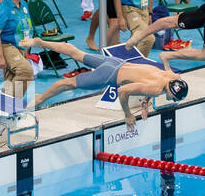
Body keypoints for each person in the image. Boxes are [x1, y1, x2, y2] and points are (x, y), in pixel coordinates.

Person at [18, 38, 189, 130]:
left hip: (116, 62)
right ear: (172, 91)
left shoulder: (172, 76)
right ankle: (40, 98)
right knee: (66, 84)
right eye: (173, 98)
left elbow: (162, 59)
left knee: (76, 53)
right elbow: (123, 91)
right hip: (109, 75)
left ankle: (41, 43)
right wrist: (128, 114)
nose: (171, 100)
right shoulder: (157, 88)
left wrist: (145, 101)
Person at [0, 0, 36, 99]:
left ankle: (3, 106)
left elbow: (26, 28)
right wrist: (0, 57)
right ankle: (12, 104)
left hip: (20, 46)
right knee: (26, 72)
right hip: (6, 45)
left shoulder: (24, 5)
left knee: (10, 78)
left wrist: (26, 49)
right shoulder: (3, 9)